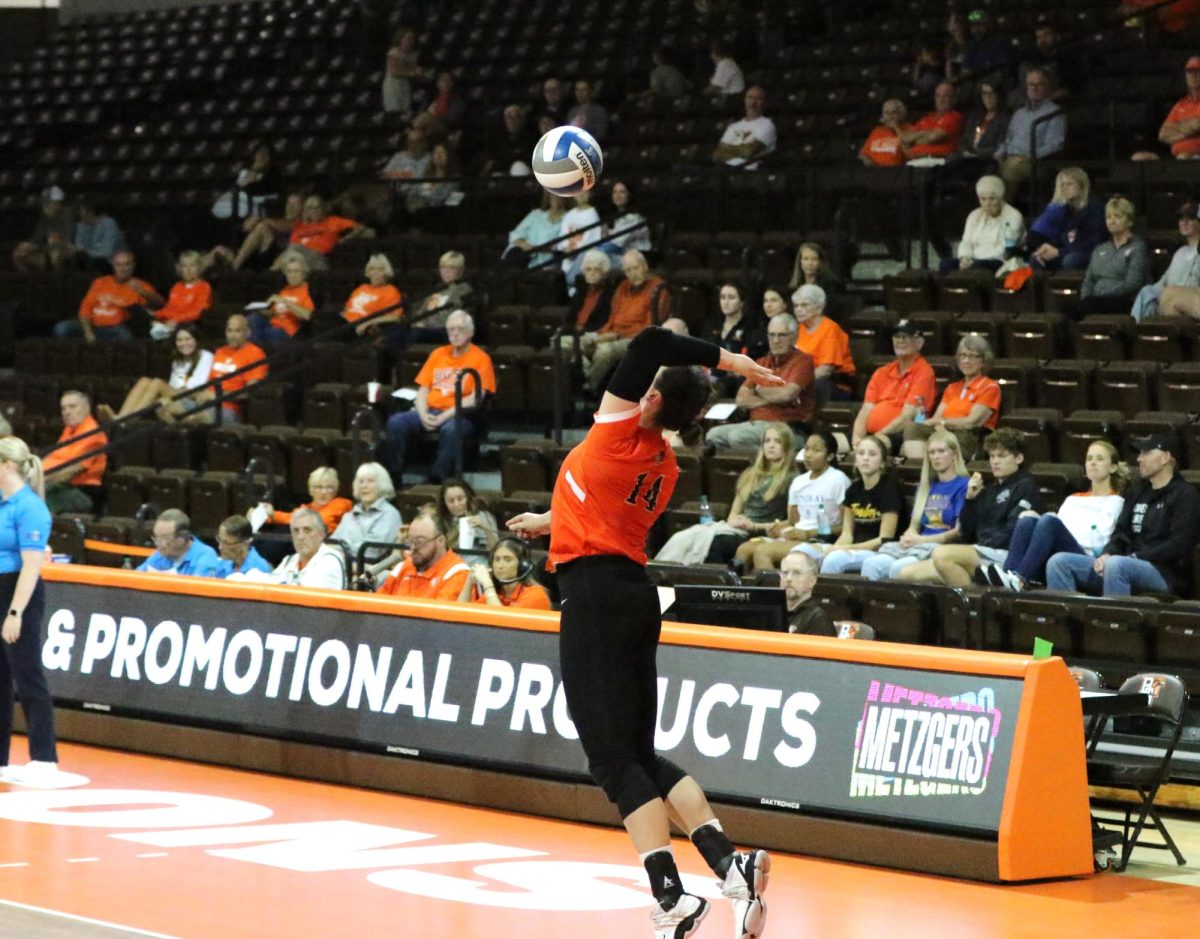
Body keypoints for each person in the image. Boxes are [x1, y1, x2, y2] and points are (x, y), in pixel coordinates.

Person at [506, 325, 778, 939]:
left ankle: (673, 900)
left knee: (610, 761)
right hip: (633, 593)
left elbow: (652, 341)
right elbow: (602, 508)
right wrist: (551, 520)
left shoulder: (616, 430)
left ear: (651, 400)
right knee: (637, 756)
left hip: (594, 597)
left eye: (646, 387)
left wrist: (736, 362)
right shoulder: (666, 462)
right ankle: (728, 864)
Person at [1047, 434, 1200, 597]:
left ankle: (1111, 620)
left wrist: (1137, 557)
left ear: (1165, 457)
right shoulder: (1137, 491)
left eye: (1146, 453)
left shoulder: (1185, 495)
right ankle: (1072, 620)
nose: (1139, 459)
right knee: (1059, 562)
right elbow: (1121, 532)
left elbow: (1179, 545)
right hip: (1124, 563)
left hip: (1165, 573)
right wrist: (1108, 553)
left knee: (1116, 565)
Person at [0, 437, 64, 787]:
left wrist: (15, 612)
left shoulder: (31, 507)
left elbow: (30, 565)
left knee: (27, 675)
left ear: (7, 466)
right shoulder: (2, 504)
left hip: (17, 592)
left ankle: (44, 757)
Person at [980, 440, 1127, 590]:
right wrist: (1036, 519)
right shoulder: (1072, 499)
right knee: (1027, 519)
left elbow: (1099, 540)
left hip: (1089, 560)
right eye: (1089, 459)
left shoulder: (1118, 502)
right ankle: (1008, 574)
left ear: (1113, 467)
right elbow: (1055, 531)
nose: (1093, 463)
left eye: (1099, 459)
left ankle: (1020, 578)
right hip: (1057, 553)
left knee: (1048, 521)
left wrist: (1053, 525)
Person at [655, 423, 795, 566]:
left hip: (762, 533)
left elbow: (792, 521)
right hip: (738, 528)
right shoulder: (750, 474)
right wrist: (735, 520)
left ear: (787, 447)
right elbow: (733, 514)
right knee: (685, 537)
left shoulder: (791, 479)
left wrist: (754, 526)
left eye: (777, 442)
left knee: (716, 543)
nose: (771, 446)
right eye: (767, 441)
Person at [915, 429, 1040, 587]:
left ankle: (974, 606)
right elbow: (966, 533)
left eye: (1001, 456)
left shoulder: (1026, 486)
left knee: (941, 555)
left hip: (1006, 555)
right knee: (906, 573)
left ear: (1019, 458)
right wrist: (970, 499)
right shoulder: (990, 489)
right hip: (981, 550)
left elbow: (1013, 532)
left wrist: (983, 543)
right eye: (992, 456)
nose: (994, 461)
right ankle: (977, 595)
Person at [382, 311, 496, 484]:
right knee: (396, 422)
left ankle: (436, 478)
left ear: (470, 333)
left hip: (460, 415)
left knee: (451, 429)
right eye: (451, 330)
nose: (455, 334)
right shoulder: (438, 354)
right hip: (429, 410)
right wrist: (422, 413)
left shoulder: (481, 358)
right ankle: (394, 475)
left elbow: (475, 398)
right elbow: (423, 390)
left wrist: (444, 415)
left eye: (460, 329)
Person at [860, 430, 970, 580]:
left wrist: (922, 540)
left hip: (941, 549)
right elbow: (914, 525)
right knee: (871, 564)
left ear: (954, 454)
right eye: (932, 452)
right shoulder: (926, 485)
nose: (936, 457)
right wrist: (909, 536)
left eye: (941, 451)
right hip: (919, 545)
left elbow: (958, 532)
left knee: (898, 568)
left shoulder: (963, 485)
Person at [738, 430, 850, 574]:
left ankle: (775, 595)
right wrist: (777, 527)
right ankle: (743, 594)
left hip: (819, 540)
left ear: (830, 456)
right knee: (744, 549)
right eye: (807, 449)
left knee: (763, 552)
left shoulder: (838, 480)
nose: (808, 454)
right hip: (795, 536)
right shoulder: (799, 481)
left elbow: (844, 526)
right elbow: (793, 521)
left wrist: (809, 533)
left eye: (816, 450)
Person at [705, 313, 815, 450]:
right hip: (755, 425)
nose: (775, 340)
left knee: (739, 437)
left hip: (787, 428)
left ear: (794, 337)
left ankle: (769, 468)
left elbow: (787, 395)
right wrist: (775, 398)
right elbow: (741, 399)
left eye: (781, 335)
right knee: (713, 435)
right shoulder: (761, 362)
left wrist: (757, 391)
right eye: (771, 335)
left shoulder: (803, 362)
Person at [809, 435, 904, 576]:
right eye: (861, 453)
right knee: (810, 553)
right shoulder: (853, 489)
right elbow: (847, 533)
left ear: (883, 462)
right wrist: (834, 548)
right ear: (856, 460)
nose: (865, 458)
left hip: (883, 550)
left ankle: (828, 597)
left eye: (872, 454)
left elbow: (884, 539)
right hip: (856, 548)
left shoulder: (890, 489)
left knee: (834, 560)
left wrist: (844, 549)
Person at [580, 250, 669, 394]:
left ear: (645, 266)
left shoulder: (659, 288)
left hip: (635, 339)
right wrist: (598, 336)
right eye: (628, 270)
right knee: (571, 344)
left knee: (604, 351)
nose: (633, 274)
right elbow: (612, 319)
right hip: (611, 334)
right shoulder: (622, 287)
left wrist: (615, 336)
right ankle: (584, 383)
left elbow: (650, 327)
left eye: (636, 268)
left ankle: (588, 388)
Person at [902, 335, 1000, 460]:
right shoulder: (952, 388)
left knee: (922, 444)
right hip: (943, 432)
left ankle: (924, 474)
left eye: (972, 356)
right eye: (963, 355)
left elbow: (972, 422)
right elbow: (937, 418)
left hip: (968, 437)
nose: (966, 361)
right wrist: (940, 427)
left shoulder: (989, 387)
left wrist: (942, 423)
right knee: (911, 431)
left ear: (984, 360)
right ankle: (922, 475)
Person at [98, 324, 213, 423]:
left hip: (193, 400)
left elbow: (195, 388)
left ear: (196, 340)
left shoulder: (206, 356)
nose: (183, 343)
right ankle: (121, 417)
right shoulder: (178, 360)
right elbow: (175, 385)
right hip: (178, 395)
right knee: (145, 380)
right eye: (180, 340)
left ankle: (127, 419)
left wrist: (167, 390)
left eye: (188, 339)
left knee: (158, 383)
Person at [850, 320, 937, 449]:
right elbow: (865, 411)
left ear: (919, 343)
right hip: (871, 436)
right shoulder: (881, 372)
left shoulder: (924, 372)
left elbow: (907, 417)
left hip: (897, 434)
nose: (900, 341)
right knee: (834, 443)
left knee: (871, 448)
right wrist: (856, 439)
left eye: (905, 337)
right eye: (896, 337)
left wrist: (875, 438)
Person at [53, 250, 162, 343]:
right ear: (113, 266)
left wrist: (143, 292)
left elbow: (160, 304)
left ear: (133, 266)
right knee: (61, 328)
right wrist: (88, 332)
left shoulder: (140, 285)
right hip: (91, 325)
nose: (122, 268)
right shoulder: (100, 282)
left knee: (124, 337)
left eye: (126, 264)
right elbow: (85, 308)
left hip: (115, 328)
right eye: (118, 264)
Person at [992, 68, 1066, 196]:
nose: (1034, 88)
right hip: (1009, 157)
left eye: (1039, 84)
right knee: (986, 167)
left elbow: (1055, 144)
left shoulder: (1055, 112)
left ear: (1047, 87)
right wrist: (999, 153)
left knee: (1011, 169)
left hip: (1036, 163)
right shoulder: (1019, 113)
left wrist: (1026, 156)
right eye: (1031, 84)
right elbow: (1008, 139)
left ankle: (1001, 212)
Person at [236, 508, 346, 590]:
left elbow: (308, 598)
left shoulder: (331, 560)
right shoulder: (289, 561)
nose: (301, 537)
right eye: (296, 531)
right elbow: (268, 585)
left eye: (307, 530)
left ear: (321, 534)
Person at [1079, 197, 1150, 317]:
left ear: (1129, 221)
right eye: (1108, 217)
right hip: (1095, 300)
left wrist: (1102, 295)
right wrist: (1086, 296)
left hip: (1123, 300)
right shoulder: (1100, 249)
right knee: (1065, 308)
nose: (1112, 221)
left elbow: (1133, 283)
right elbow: (1089, 280)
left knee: (1090, 306)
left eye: (1117, 217)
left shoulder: (1138, 247)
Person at [331, 462, 403, 579]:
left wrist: (343, 554)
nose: (364, 486)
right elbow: (331, 545)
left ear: (381, 485)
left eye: (370, 481)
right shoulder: (349, 516)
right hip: (343, 570)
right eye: (361, 481)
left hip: (372, 573)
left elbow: (370, 553)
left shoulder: (390, 515)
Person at [940, 175, 1024, 274]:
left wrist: (975, 260)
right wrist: (965, 257)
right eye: (983, 199)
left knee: (976, 267)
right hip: (973, 259)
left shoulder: (1014, 216)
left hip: (999, 260)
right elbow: (966, 241)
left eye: (992, 199)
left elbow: (1006, 249)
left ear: (1000, 198)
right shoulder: (975, 215)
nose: (987, 204)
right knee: (945, 264)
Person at [1027, 167, 1106, 272]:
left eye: (1069, 184)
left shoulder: (1095, 208)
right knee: (1036, 258)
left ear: (1082, 185)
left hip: (1088, 255)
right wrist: (1046, 249)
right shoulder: (1064, 209)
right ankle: (1043, 288)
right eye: (1062, 185)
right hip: (1066, 253)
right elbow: (1059, 239)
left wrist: (1059, 252)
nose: (1064, 188)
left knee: (1070, 259)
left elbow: (1092, 244)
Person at [377, 511, 471, 600]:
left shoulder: (457, 574)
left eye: (419, 542)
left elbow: (440, 615)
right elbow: (377, 605)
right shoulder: (402, 567)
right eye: (410, 541)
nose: (413, 548)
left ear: (440, 541)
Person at [1132, 199, 1200, 320]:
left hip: (1186, 298)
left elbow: (1195, 282)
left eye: (1189, 219)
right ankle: (1137, 331)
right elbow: (1164, 279)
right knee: (1147, 292)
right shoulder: (1180, 252)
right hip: (1168, 295)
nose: (1184, 223)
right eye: (1181, 219)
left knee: (1166, 296)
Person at [41, 390, 107, 514]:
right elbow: (54, 455)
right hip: (56, 483)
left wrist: (42, 480)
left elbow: (74, 470)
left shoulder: (93, 434)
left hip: (81, 490)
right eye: (63, 408)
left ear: (87, 408)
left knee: (31, 500)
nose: (66, 412)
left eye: (72, 407)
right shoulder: (69, 429)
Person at [209, 192, 304, 272]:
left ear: (301, 208)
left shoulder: (301, 223)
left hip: (277, 257)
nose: (291, 207)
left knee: (262, 227)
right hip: (255, 254)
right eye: (289, 204)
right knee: (219, 250)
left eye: (295, 204)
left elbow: (284, 227)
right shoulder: (278, 219)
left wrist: (258, 219)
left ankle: (234, 267)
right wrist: (248, 225)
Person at [274, 195, 371, 273]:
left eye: (317, 207)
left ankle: (272, 275)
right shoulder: (299, 226)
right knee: (290, 252)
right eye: (310, 208)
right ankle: (272, 276)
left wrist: (346, 238)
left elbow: (361, 227)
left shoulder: (332, 221)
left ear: (323, 208)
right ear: (305, 211)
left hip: (319, 259)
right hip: (297, 261)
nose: (314, 211)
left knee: (293, 249)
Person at [791, 285, 854, 404]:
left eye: (804, 305)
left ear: (819, 307)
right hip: (802, 382)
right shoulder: (798, 329)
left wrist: (796, 384)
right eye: (796, 306)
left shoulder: (830, 329)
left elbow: (825, 370)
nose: (798, 309)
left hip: (833, 384)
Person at [703, 281, 765, 395]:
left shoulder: (751, 328)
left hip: (735, 382)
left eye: (731, 297)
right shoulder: (712, 325)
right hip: (710, 377)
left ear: (742, 302)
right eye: (722, 297)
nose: (726, 302)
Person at [203, 314, 268, 423]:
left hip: (229, 409)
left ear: (247, 333)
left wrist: (217, 396)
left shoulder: (255, 353)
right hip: (206, 404)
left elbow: (248, 393)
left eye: (237, 331)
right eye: (229, 331)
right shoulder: (220, 351)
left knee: (190, 418)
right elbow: (209, 385)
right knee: (167, 409)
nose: (232, 336)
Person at [459, 536, 551, 609]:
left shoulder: (536, 595)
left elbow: (503, 625)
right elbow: (458, 614)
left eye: (507, 560)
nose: (500, 565)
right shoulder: (496, 592)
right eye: (497, 559)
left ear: (523, 565)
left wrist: (488, 585)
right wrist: (469, 581)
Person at [409, 250, 477, 344]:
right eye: (443, 267)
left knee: (414, 334)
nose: (446, 271)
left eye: (451, 268)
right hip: (429, 330)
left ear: (461, 271)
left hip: (448, 331)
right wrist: (417, 323)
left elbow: (450, 317)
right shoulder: (438, 289)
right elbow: (422, 311)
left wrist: (425, 324)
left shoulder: (464, 289)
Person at [249, 253, 314, 347]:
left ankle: (259, 353)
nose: (292, 275)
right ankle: (254, 354)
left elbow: (308, 315)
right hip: (273, 325)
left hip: (289, 331)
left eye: (296, 271)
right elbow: (274, 312)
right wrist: (266, 307)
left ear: (304, 274)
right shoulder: (285, 290)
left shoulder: (308, 290)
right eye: (289, 272)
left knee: (270, 333)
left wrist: (285, 302)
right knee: (253, 319)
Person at [261, 466, 353, 532]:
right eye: (319, 487)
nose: (324, 492)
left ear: (336, 490)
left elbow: (320, 521)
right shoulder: (307, 508)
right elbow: (291, 517)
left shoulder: (341, 504)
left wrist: (274, 516)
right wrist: (266, 514)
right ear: (311, 490)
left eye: (329, 487)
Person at [342, 254, 405, 349]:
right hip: (345, 323)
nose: (375, 273)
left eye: (379, 270)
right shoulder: (361, 288)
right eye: (372, 269)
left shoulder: (390, 290)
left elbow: (394, 317)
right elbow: (347, 309)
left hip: (361, 328)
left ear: (386, 273)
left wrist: (367, 323)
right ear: (368, 272)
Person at [137, 509, 220, 577]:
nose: (158, 543)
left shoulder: (205, 556)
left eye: (165, 538)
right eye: (156, 536)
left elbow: (197, 593)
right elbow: (137, 576)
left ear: (183, 537)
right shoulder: (160, 554)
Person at [12, 186, 75, 273]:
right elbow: (37, 238)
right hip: (47, 250)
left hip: (66, 250)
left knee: (55, 255)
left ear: (58, 204)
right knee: (19, 253)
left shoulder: (67, 216)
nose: (44, 207)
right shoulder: (45, 217)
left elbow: (66, 242)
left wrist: (46, 247)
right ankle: (30, 282)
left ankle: (57, 284)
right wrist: (28, 245)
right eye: (44, 203)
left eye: (48, 203)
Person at [212, 141, 281, 220]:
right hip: (236, 201)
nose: (262, 156)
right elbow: (237, 187)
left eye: (265, 154)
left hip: (253, 205)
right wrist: (253, 171)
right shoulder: (245, 171)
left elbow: (258, 190)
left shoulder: (273, 173)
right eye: (259, 153)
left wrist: (254, 175)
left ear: (270, 157)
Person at [150, 251, 212, 339]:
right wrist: (156, 315)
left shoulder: (204, 287)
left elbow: (199, 311)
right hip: (171, 322)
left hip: (189, 323)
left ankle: (162, 333)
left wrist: (177, 320)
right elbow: (170, 308)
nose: (188, 269)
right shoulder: (177, 287)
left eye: (192, 265)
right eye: (184, 266)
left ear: (199, 267)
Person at [712, 85, 776, 169]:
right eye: (750, 97)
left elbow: (748, 152)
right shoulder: (733, 126)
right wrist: (740, 149)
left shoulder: (767, 125)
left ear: (763, 102)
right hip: (726, 170)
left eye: (758, 98)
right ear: (745, 100)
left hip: (749, 173)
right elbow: (717, 155)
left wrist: (728, 149)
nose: (753, 103)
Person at [899, 82, 965, 162]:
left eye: (945, 96)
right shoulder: (926, 118)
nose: (941, 100)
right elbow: (905, 138)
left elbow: (932, 138)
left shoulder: (955, 117)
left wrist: (915, 139)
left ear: (953, 99)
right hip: (916, 160)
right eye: (938, 96)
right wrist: (926, 133)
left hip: (936, 160)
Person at [505, 192, 569, 269]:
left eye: (559, 194)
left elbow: (565, 244)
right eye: (552, 194)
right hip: (525, 260)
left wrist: (549, 248)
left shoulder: (569, 218)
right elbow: (515, 234)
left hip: (548, 265)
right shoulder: (536, 214)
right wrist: (525, 245)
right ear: (548, 197)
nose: (555, 197)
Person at [778, 552, 835, 636]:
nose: (789, 578)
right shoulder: (772, 612)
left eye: (797, 573)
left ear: (811, 581)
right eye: (785, 573)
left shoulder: (817, 618)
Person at [437, 477, 499, 552]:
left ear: (468, 497)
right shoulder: (441, 520)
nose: (456, 504)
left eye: (460, 499)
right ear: (444, 503)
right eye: (451, 501)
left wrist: (486, 528)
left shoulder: (483, 515)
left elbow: (496, 549)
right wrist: (458, 530)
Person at [954, 81, 1010, 164]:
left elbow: (1000, 147)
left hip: (986, 160)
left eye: (992, 93)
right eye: (985, 93)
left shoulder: (1005, 119)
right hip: (967, 157)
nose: (988, 97)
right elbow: (964, 141)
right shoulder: (974, 117)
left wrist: (975, 153)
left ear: (999, 95)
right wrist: (965, 151)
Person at [566, 249, 617, 337]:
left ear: (604, 274)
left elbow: (604, 322)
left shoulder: (609, 294)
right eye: (588, 270)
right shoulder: (580, 292)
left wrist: (583, 331)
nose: (592, 273)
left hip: (592, 334)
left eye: (596, 270)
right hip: (573, 333)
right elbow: (570, 317)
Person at [1157, 56, 1200, 159]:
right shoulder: (1181, 104)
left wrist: (1178, 128)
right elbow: (1163, 135)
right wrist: (1190, 130)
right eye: (1189, 72)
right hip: (1182, 157)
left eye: (1198, 72)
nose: (1193, 76)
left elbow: (1198, 124)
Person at [559, 190, 603, 287]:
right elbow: (562, 240)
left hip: (582, 263)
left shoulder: (592, 215)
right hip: (566, 262)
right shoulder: (568, 215)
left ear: (590, 194)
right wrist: (566, 250)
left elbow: (591, 242)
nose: (581, 195)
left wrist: (574, 253)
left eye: (585, 192)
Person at [481, 103, 537, 177]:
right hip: (503, 174)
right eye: (509, 117)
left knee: (519, 167)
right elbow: (493, 160)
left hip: (522, 174)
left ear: (521, 120)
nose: (512, 121)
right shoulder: (498, 138)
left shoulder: (529, 138)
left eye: (516, 118)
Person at [786, 241, 843, 315]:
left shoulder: (829, 284)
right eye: (806, 259)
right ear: (800, 262)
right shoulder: (795, 286)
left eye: (814, 259)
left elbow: (828, 311)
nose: (810, 263)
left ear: (820, 262)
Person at [69, 200, 126, 271]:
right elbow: (79, 246)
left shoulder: (108, 224)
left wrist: (85, 252)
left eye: (83, 211)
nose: (80, 214)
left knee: (97, 263)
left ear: (90, 212)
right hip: (90, 260)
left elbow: (106, 253)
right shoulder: (82, 225)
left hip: (111, 262)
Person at [602, 180, 653, 259]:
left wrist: (594, 251)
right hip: (622, 255)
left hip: (638, 257)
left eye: (622, 192)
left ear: (629, 195)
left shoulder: (633, 217)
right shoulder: (615, 216)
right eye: (614, 192)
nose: (617, 195)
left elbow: (615, 245)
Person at [382, 27, 423, 116]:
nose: (410, 41)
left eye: (412, 38)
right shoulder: (394, 52)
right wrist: (411, 73)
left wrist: (418, 71)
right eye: (408, 38)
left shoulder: (414, 54)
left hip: (406, 84)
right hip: (393, 85)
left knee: (405, 110)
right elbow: (393, 71)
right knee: (394, 111)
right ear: (401, 39)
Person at [859, 99, 909, 167]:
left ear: (901, 115)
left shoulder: (908, 129)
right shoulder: (877, 131)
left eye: (893, 113)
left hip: (896, 171)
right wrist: (867, 161)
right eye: (887, 113)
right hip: (874, 171)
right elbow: (863, 154)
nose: (890, 116)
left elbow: (910, 153)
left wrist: (896, 129)